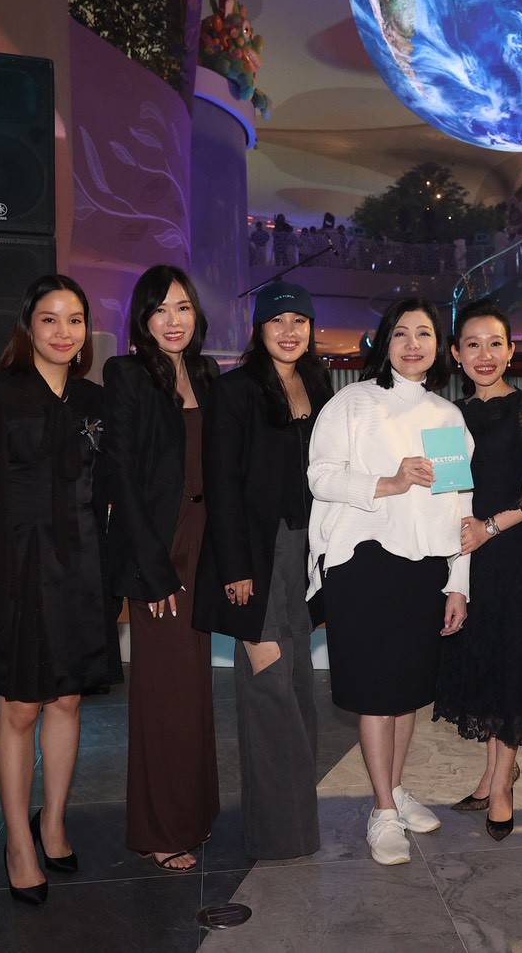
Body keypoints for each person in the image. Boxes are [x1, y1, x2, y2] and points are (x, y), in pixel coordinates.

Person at [0, 273, 119, 906]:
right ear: (28, 326)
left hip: (82, 570)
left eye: (75, 320)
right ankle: (18, 842)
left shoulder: (95, 401)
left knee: (67, 702)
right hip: (16, 570)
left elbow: (110, 491)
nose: (63, 332)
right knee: (19, 708)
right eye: (50, 319)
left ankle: (55, 823)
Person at [306, 297, 472, 866]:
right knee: (377, 694)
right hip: (363, 561)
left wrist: (459, 582)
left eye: (424, 333)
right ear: (384, 342)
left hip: (423, 567)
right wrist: (390, 481)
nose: (412, 344)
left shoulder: (446, 417)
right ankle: (381, 810)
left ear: (439, 347)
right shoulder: (353, 402)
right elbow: (321, 477)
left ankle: (395, 790)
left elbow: (459, 504)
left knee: (406, 694)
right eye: (401, 333)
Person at [194, 282, 332, 861]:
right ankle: (277, 834)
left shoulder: (319, 385)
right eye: (278, 320)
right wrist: (236, 570)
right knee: (268, 682)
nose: (289, 331)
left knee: (298, 688)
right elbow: (221, 484)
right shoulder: (234, 390)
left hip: (305, 554)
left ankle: (298, 825)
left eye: (300, 320)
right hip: (256, 556)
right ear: (259, 328)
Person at [434, 299, 522, 841]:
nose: (485, 354)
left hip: (506, 548)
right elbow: (447, 492)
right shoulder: (448, 416)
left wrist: (490, 527)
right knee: (484, 662)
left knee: (511, 663)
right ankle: (495, 772)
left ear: (511, 350)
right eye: (473, 344)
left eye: (495, 343)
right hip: (463, 553)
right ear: (456, 353)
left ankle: (502, 787)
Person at [101, 265, 220, 873]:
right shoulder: (125, 375)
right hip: (160, 548)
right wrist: (151, 570)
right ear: (143, 319)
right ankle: (159, 828)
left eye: (183, 308)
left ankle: (194, 814)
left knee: (195, 687)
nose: (173, 321)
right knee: (164, 690)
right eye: (160, 309)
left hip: (205, 543)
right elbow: (121, 475)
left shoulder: (208, 373)